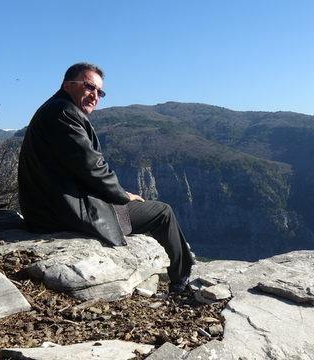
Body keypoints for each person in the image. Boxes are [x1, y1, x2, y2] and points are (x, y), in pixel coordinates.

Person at [18, 62, 194, 293]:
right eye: (90, 87)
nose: (95, 96)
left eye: (100, 92)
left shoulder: (54, 109)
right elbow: (92, 167)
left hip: (49, 207)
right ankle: (182, 280)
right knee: (162, 212)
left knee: (137, 212)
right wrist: (123, 196)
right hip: (62, 211)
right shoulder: (64, 113)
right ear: (68, 85)